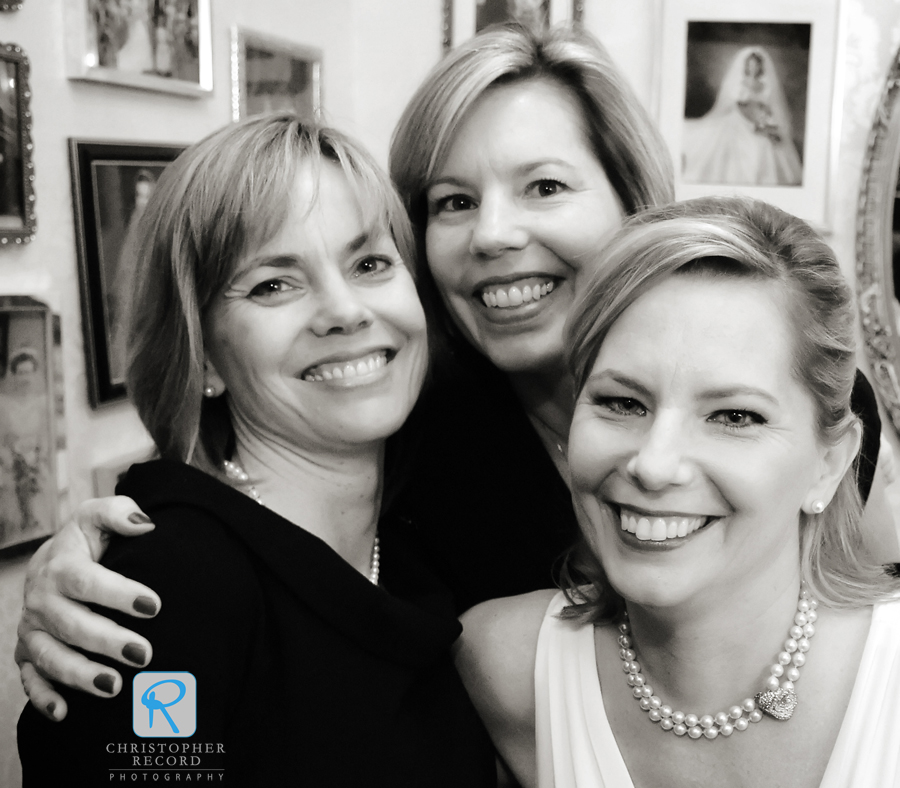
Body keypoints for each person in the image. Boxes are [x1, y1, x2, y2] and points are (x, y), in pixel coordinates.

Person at [15, 24, 892, 723]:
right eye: (453, 202)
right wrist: (87, 564)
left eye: (544, 187)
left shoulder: (794, 402)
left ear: (634, 202)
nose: (494, 235)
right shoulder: (411, 445)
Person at [17, 113, 495, 786]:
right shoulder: (171, 584)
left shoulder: (416, 544)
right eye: (274, 283)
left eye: (370, 263)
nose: (345, 310)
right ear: (204, 353)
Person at [456, 197, 900, 788]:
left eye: (734, 416)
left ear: (830, 463)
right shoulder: (503, 668)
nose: (655, 465)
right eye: (622, 403)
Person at [682, 46, 803, 186]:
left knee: (766, 144)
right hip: (738, 119)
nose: (753, 68)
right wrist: (750, 115)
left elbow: (768, 107)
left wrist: (763, 120)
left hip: (759, 120)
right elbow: (736, 103)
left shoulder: (765, 84)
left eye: (756, 65)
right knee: (729, 141)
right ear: (746, 66)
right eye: (750, 65)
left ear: (760, 67)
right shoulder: (739, 83)